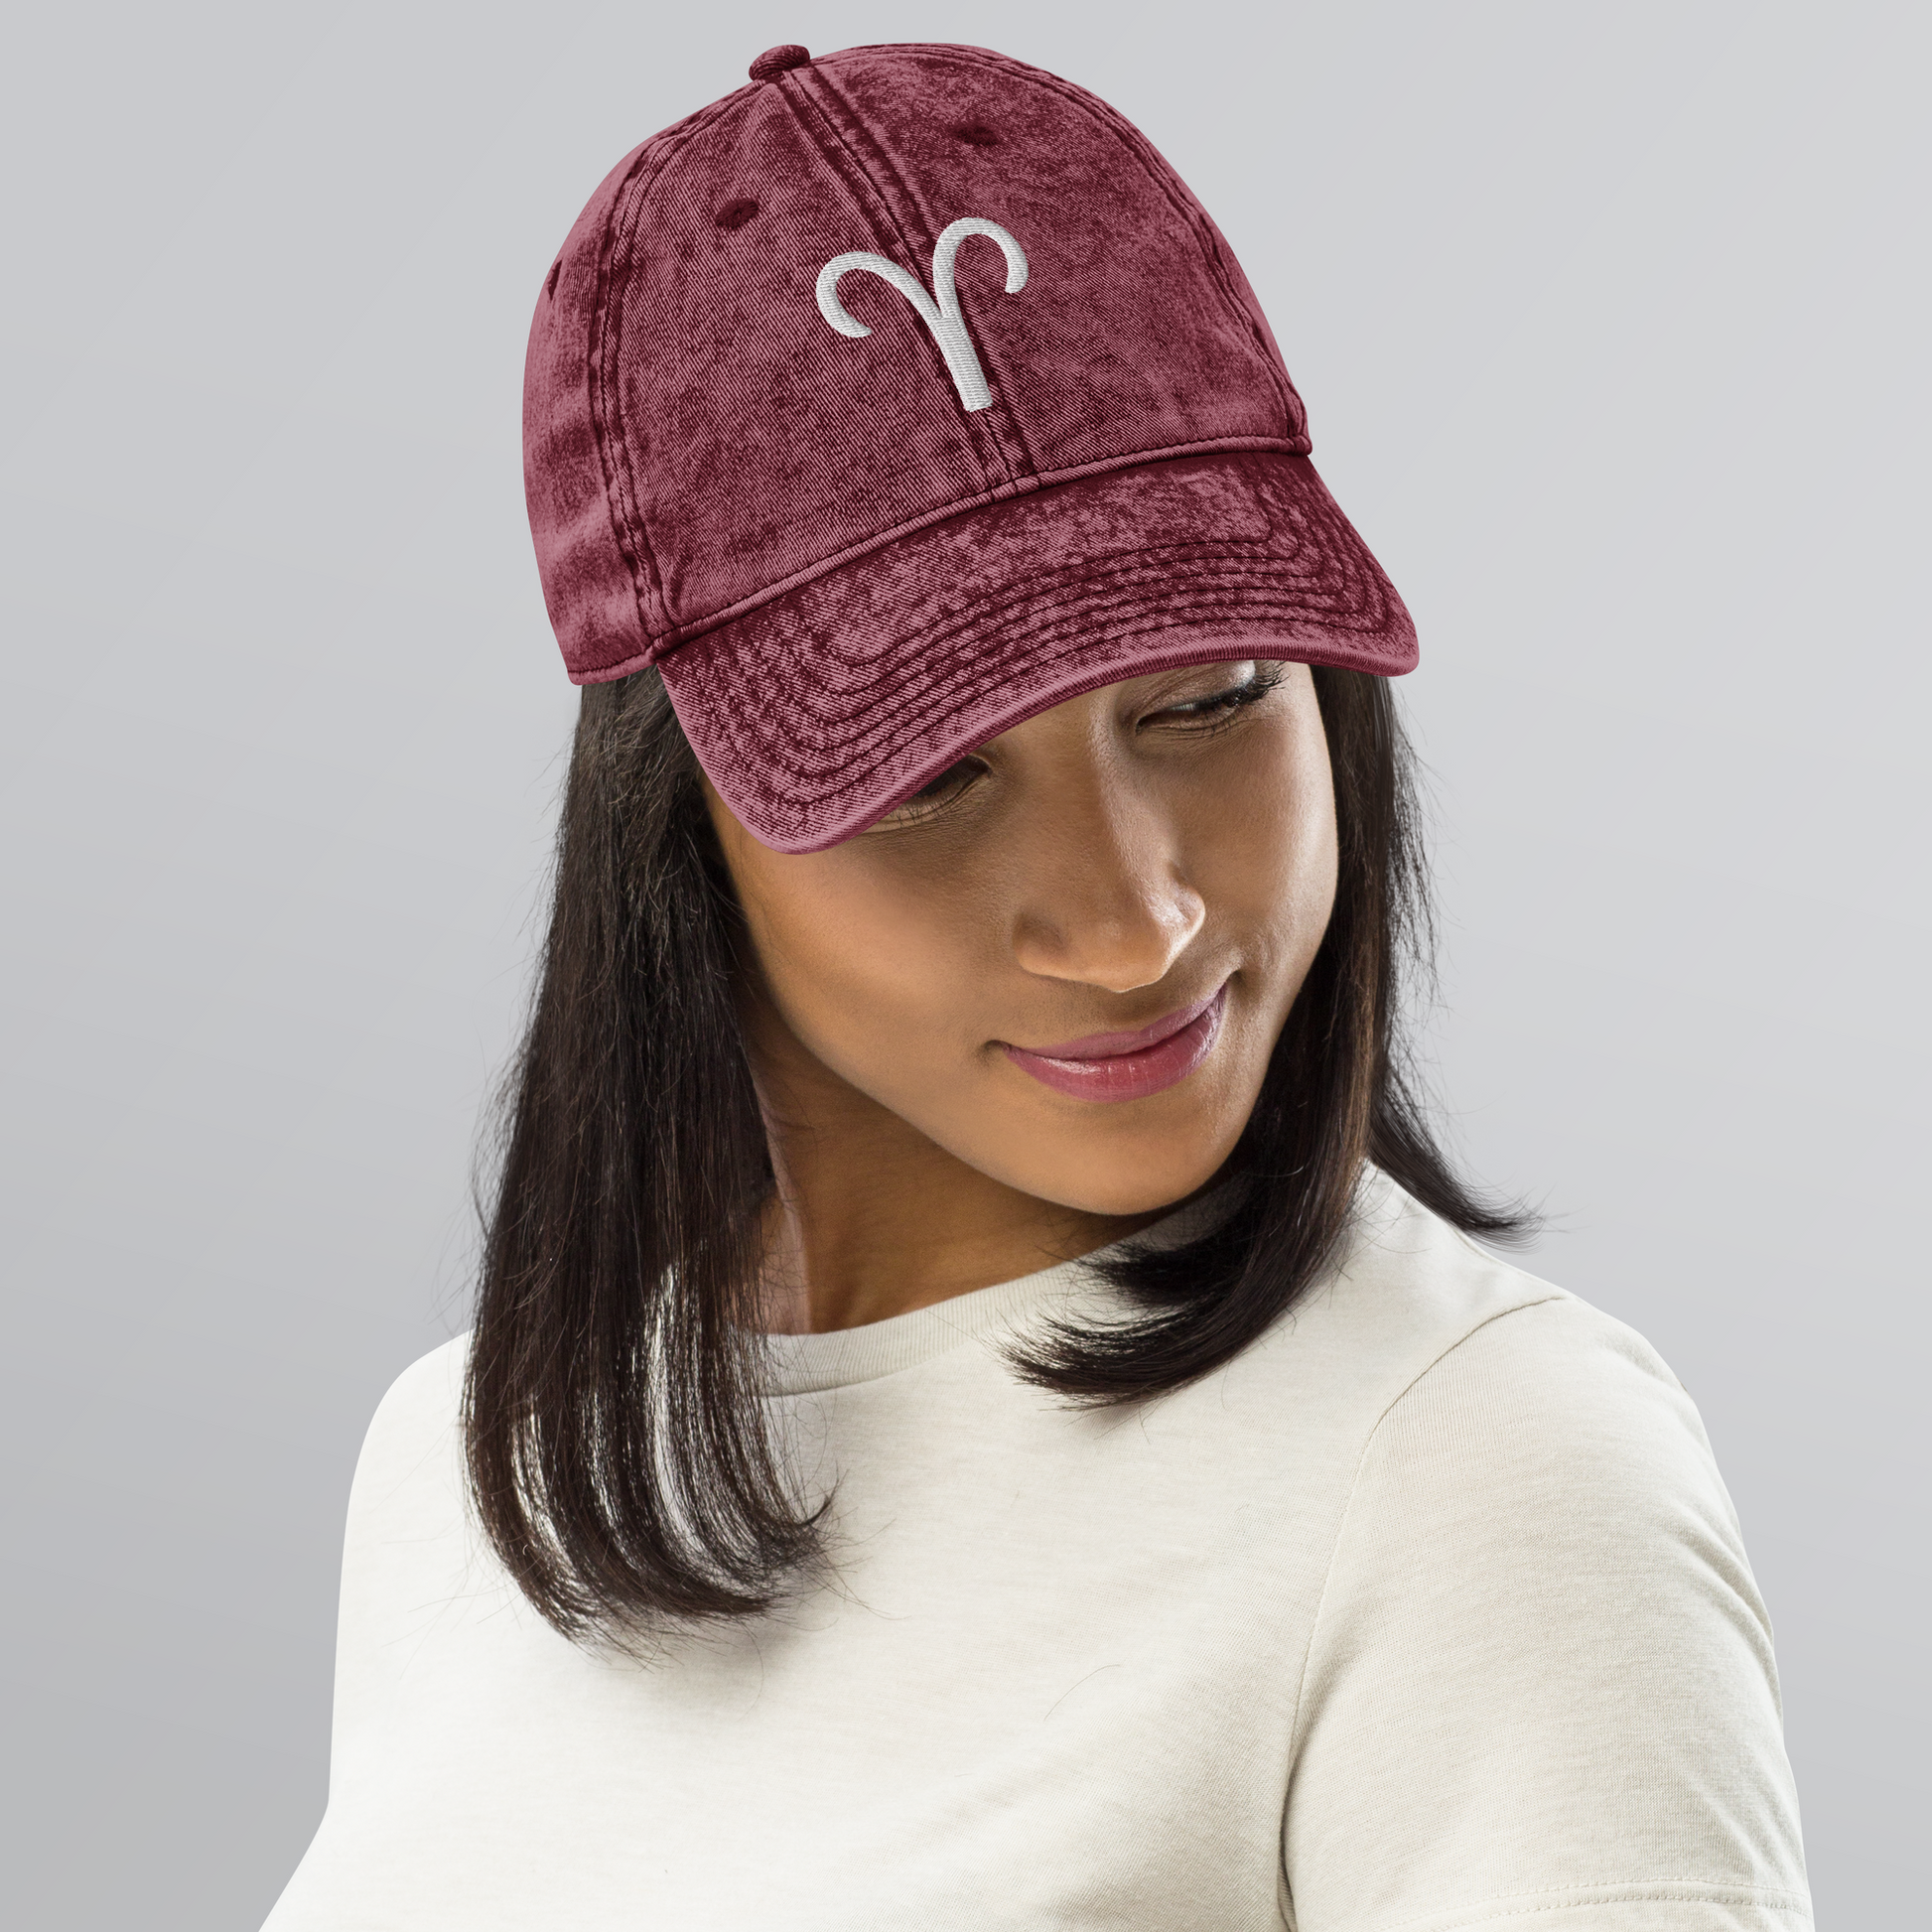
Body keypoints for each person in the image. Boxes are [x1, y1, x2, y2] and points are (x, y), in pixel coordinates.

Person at [264, 42, 1811, 1931]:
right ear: (672, 826)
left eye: (1210, 697)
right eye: (931, 776)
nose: (1133, 920)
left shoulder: (1478, 1467)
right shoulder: (473, 1468)